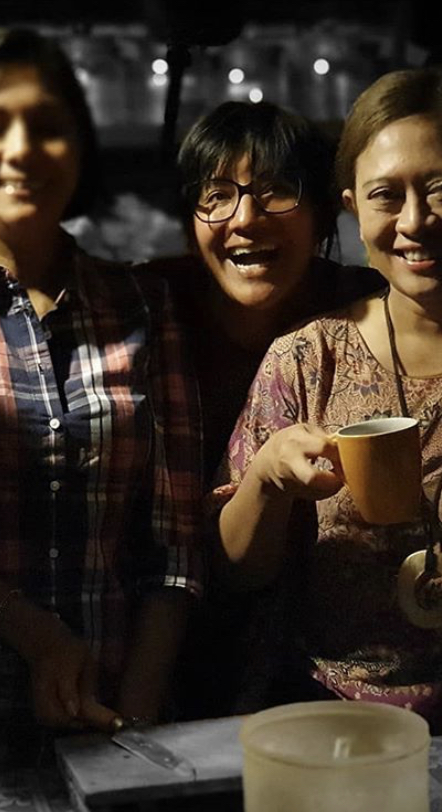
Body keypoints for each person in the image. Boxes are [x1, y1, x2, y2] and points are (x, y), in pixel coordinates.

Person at [0, 28, 203, 769]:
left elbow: (176, 543)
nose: (22, 150)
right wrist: (37, 638)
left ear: (79, 149)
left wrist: (135, 721)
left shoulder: (142, 306)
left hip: (128, 724)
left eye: (47, 126)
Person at [214, 67, 442, 733]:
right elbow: (236, 572)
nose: (414, 222)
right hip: (336, 729)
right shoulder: (308, 361)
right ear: (353, 207)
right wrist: (267, 477)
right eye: (386, 195)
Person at [168, 101, 382, 719]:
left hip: (327, 659)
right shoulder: (151, 308)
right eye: (215, 196)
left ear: (324, 214)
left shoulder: (370, 316)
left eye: (276, 192)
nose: (245, 218)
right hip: (178, 643)